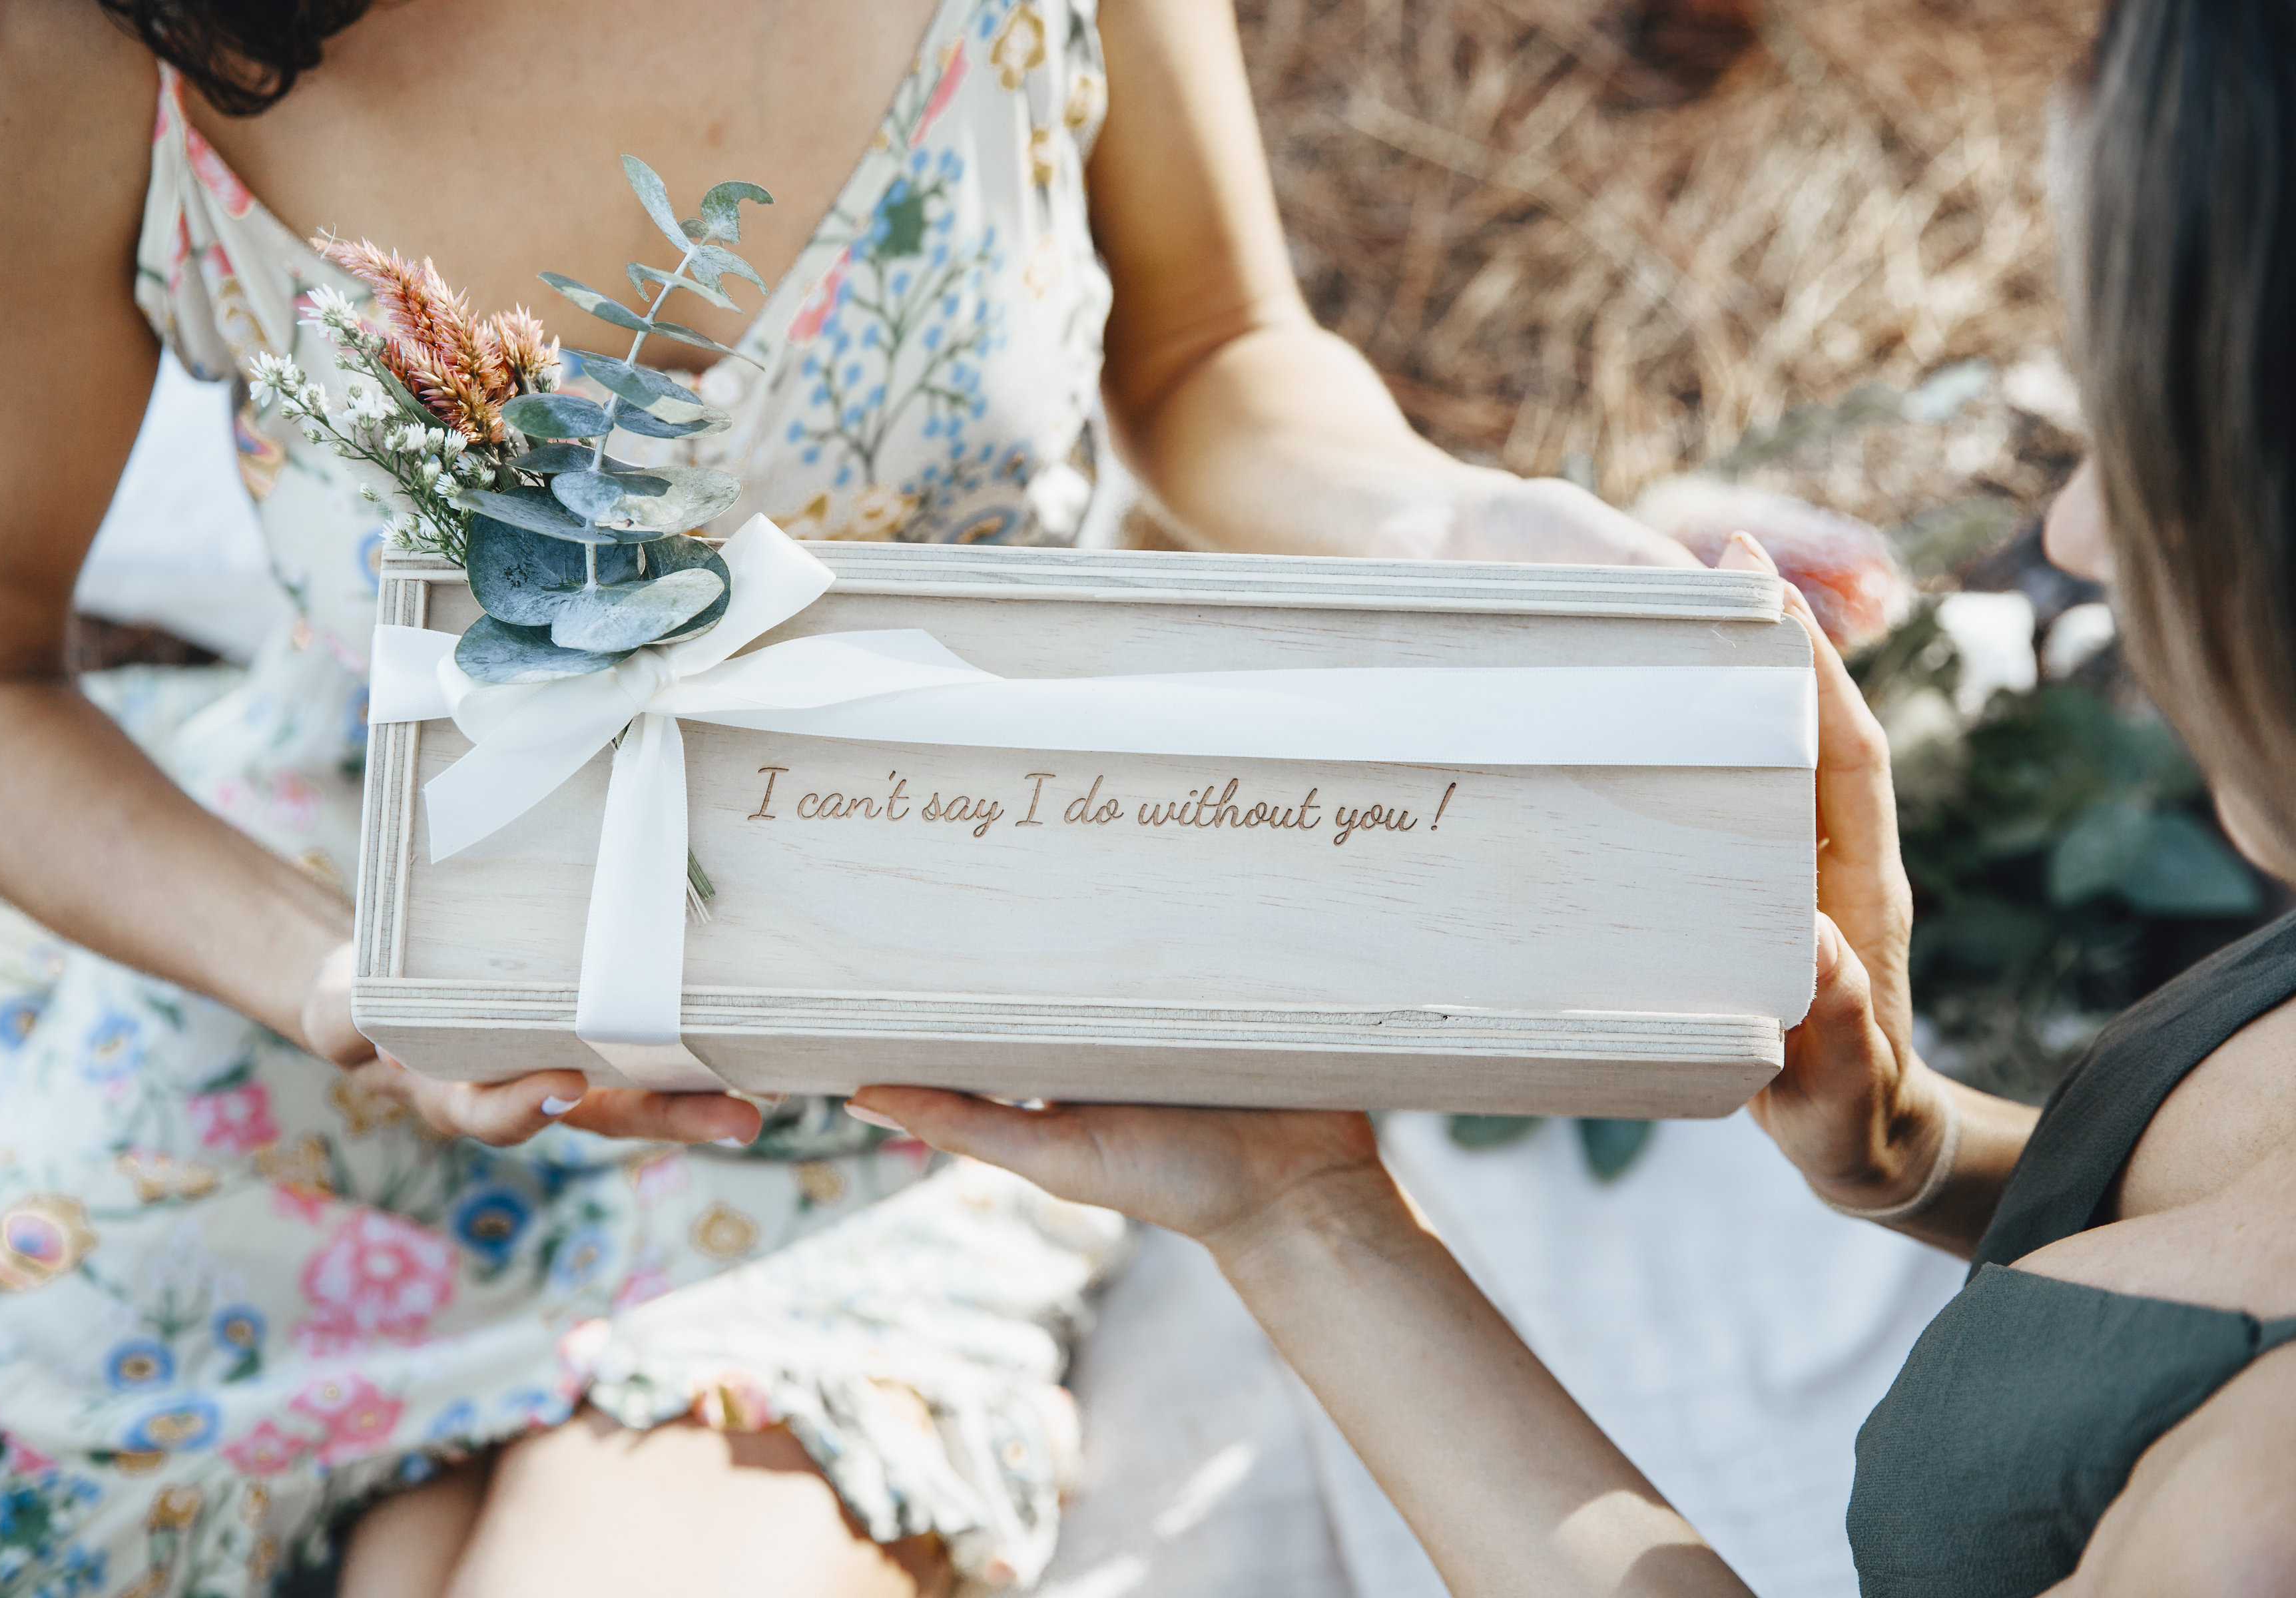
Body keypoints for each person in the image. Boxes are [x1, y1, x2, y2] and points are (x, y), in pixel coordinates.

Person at [0, 1, 1698, 1595]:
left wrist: (1453, 532)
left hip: (916, 1050)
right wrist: (342, 977)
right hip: (354, 989)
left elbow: (1212, 354)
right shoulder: (60, 34)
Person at [849, 2, 2296, 1593]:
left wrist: (1305, 1212)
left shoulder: (2247, 1517)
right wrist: (1910, 1149)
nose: (2076, 541)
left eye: (2152, 454)